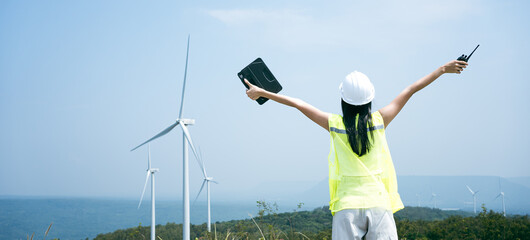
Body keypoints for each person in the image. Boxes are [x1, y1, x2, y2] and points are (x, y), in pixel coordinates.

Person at [244, 59, 468, 240]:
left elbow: (299, 104)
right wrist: (442, 69)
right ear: (370, 99)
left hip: (346, 207)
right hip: (379, 204)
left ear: (343, 99)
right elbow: (411, 89)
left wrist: (263, 92)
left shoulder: (335, 124)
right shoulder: (380, 120)